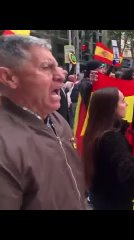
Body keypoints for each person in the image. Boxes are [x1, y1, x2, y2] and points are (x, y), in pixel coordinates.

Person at [0, 35, 85, 210]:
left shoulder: (58, 120)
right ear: (8, 77)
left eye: (58, 67)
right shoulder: (4, 144)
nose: (62, 75)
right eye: (46, 67)